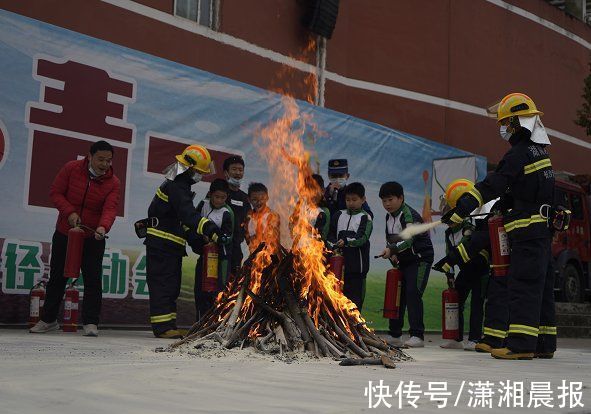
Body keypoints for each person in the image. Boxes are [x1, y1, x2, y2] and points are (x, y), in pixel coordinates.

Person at [442, 93, 557, 360]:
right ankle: (543, 343)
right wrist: (501, 206)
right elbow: (523, 190)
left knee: (523, 285)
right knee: (540, 287)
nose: (502, 129)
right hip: (540, 232)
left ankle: (521, 345)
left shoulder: (517, 154)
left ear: (517, 123)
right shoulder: (539, 152)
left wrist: (462, 209)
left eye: (505, 123)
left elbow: (494, 183)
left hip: (528, 233)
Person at [30, 140, 120, 337]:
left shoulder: (113, 182)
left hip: (93, 236)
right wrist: (69, 213)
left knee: (92, 278)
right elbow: (56, 193)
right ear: (89, 156)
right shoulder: (71, 169)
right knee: (58, 276)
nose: (105, 165)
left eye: (109, 161)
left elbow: (110, 208)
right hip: (66, 232)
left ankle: (90, 323)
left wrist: (103, 227)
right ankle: (49, 320)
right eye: (101, 159)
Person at [143, 145, 221, 339]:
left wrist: (197, 242)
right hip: (162, 244)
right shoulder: (177, 184)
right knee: (163, 285)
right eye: (198, 172)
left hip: (170, 245)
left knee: (171, 286)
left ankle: (169, 325)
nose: (200, 176)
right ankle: (162, 328)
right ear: (189, 168)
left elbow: (181, 221)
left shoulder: (181, 186)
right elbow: (187, 215)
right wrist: (209, 227)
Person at [433, 180, 490, 351]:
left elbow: (464, 248)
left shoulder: (469, 227)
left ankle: (474, 339)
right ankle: (456, 338)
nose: (445, 213)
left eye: (449, 210)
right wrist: (449, 275)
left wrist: (452, 260)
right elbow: (448, 254)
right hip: (465, 270)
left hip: (479, 269)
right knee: (456, 301)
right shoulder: (449, 232)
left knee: (477, 304)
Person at [378, 181, 434, 348]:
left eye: (390, 200)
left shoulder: (408, 215)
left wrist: (393, 250)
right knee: (398, 294)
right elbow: (392, 239)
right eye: (384, 201)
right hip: (405, 260)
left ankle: (417, 335)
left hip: (420, 259)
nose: (387, 204)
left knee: (412, 293)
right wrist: (393, 254)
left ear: (401, 198)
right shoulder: (389, 216)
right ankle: (395, 334)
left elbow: (409, 241)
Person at [193, 179, 234, 320]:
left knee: (217, 292)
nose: (219, 200)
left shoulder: (226, 212)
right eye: (217, 197)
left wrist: (213, 237)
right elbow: (192, 224)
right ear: (210, 194)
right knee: (200, 291)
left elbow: (228, 237)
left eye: (223, 198)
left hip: (220, 259)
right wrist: (201, 238)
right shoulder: (202, 205)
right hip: (204, 256)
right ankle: (199, 323)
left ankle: (214, 324)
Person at [328, 182, 373, 310]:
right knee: (336, 303)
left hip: (357, 270)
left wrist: (346, 242)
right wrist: (333, 246)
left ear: (363, 200)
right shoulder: (338, 215)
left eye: (354, 199)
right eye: (348, 200)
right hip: (338, 269)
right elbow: (330, 236)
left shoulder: (365, 217)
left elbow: (362, 238)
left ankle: (355, 329)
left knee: (354, 305)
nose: (351, 203)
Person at [223, 156, 251, 274]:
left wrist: (253, 245)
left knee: (232, 285)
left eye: (240, 170)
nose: (237, 173)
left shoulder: (245, 198)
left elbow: (248, 225)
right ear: (226, 172)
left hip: (236, 250)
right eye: (234, 169)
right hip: (219, 246)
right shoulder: (218, 193)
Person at [245, 182, 280, 254]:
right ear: (249, 200)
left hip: (270, 256)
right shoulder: (248, 216)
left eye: (262, 198)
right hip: (254, 257)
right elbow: (247, 237)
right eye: (255, 199)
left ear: (267, 197)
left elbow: (274, 239)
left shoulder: (272, 216)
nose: (259, 202)